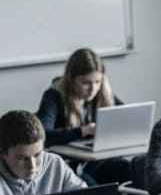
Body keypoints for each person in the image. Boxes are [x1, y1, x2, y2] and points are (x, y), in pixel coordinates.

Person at [35, 47, 131, 185]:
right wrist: (82, 131)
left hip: (98, 160)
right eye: (86, 83)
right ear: (71, 80)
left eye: (97, 82)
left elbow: (126, 115)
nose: (93, 89)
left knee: (129, 170)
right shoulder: (54, 96)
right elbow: (43, 136)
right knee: (93, 188)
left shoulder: (102, 92)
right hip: (70, 165)